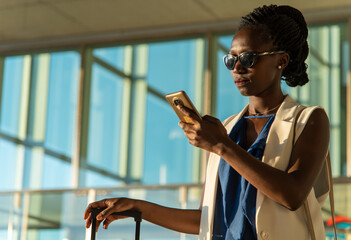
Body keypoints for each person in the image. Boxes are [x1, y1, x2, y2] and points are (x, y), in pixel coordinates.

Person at [84, 4, 330, 240]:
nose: (237, 68)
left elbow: (292, 194)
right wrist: (137, 206)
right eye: (230, 60)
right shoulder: (228, 128)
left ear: (282, 61)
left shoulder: (308, 119)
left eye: (248, 58)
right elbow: (207, 220)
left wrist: (221, 146)